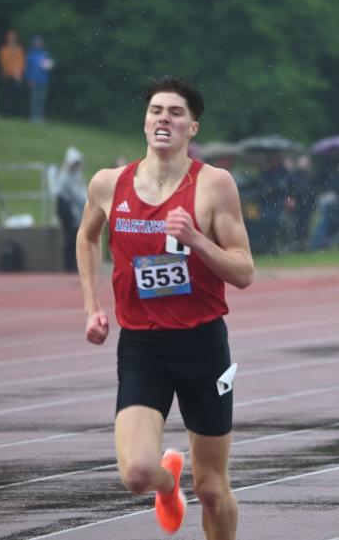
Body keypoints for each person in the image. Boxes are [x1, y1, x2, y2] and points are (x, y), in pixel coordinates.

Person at [76, 76, 253, 538]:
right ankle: (167, 481)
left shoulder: (214, 185)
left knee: (213, 490)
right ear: (145, 122)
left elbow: (243, 271)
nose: (164, 119)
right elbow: (87, 236)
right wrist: (93, 307)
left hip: (203, 346)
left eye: (175, 113)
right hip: (142, 347)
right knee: (136, 473)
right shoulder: (108, 184)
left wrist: (196, 239)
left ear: (192, 127)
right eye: (156, 110)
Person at [51, 146, 88, 272]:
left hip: (72, 208)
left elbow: (80, 194)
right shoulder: (65, 175)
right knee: (70, 236)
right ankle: (69, 265)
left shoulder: (76, 175)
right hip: (65, 208)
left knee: (73, 236)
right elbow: (71, 194)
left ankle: (73, 265)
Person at [26, 36, 54, 122]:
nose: (38, 44)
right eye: (37, 42)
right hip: (34, 79)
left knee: (42, 98)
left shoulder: (45, 54)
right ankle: (34, 116)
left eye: (40, 43)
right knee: (35, 98)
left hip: (44, 79)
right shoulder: (31, 54)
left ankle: (40, 116)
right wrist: (29, 79)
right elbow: (28, 67)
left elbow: (49, 65)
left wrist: (49, 66)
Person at [0, 29, 25, 116]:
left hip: (18, 76)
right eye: (10, 38)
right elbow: (3, 63)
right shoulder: (4, 50)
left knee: (18, 95)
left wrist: (19, 73)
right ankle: (8, 113)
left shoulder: (19, 49)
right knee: (8, 95)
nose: (12, 39)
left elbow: (22, 62)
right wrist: (10, 72)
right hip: (8, 76)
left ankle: (17, 113)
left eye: (13, 38)